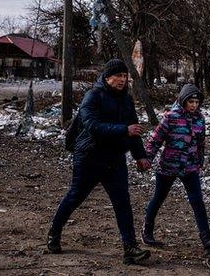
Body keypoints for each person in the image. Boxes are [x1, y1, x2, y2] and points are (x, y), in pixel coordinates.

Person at [46, 59, 153, 265]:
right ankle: (54, 233)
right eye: (118, 76)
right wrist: (123, 130)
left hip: (115, 159)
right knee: (75, 197)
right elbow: (92, 125)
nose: (122, 80)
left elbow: (134, 129)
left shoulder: (127, 100)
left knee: (123, 202)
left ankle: (130, 248)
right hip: (90, 157)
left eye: (125, 76)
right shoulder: (93, 96)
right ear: (107, 77)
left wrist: (140, 156)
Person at [141, 84, 210, 255]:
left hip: (190, 167)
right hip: (169, 166)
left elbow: (200, 143)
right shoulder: (170, 117)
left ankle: (207, 240)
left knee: (197, 201)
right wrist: (146, 159)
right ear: (183, 101)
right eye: (190, 101)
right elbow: (155, 140)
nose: (194, 105)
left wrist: (200, 161)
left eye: (196, 102)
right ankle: (146, 231)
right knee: (158, 198)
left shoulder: (199, 119)